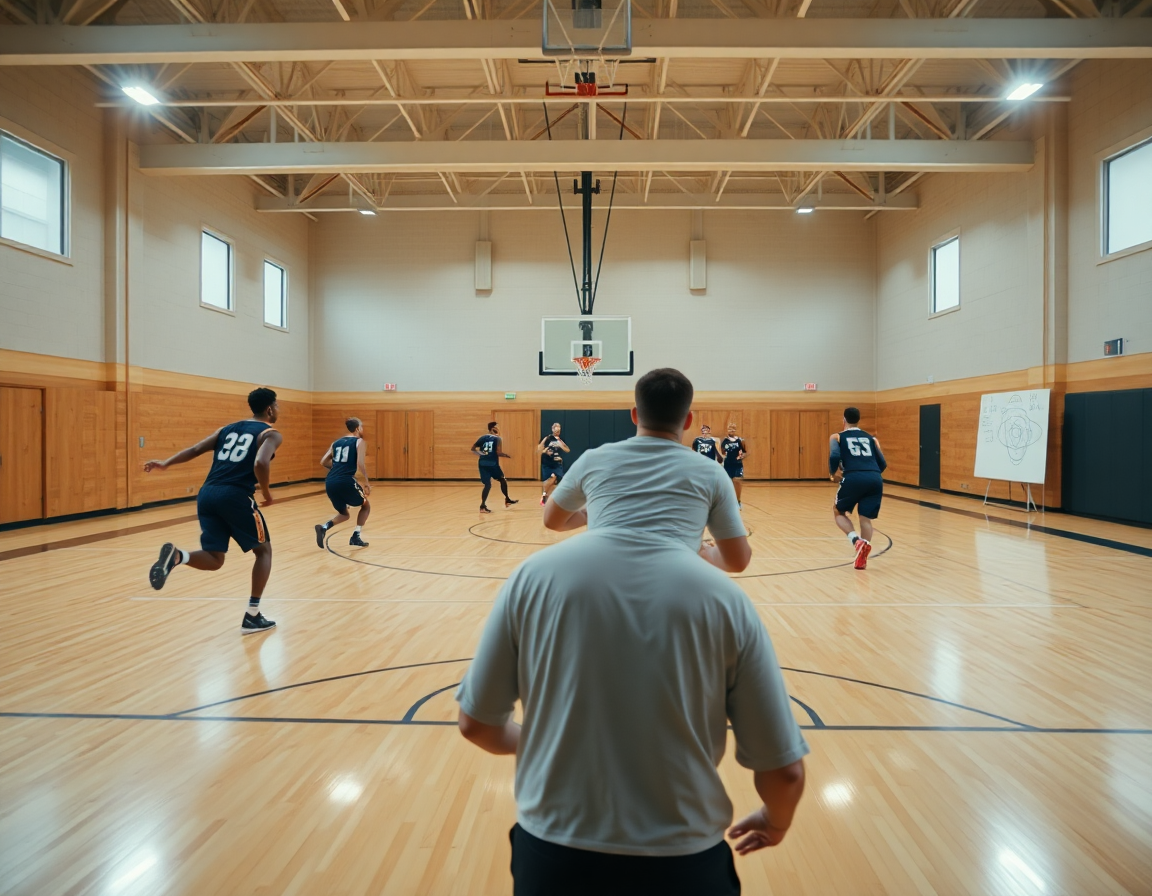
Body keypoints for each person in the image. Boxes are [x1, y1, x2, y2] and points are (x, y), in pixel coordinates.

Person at [458, 369, 807, 896]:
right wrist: (776, 823)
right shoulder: (725, 597)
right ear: (689, 421)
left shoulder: (534, 575)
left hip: (553, 853)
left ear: (632, 414)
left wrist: (550, 741)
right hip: (684, 860)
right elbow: (784, 774)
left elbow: (477, 726)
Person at [144, 387, 283, 634]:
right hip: (236, 495)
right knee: (264, 551)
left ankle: (178, 556)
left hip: (207, 495)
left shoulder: (227, 429)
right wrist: (267, 493)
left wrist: (165, 463)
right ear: (270, 408)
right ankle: (252, 615)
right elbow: (260, 462)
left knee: (215, 558)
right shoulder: (270, 434)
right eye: (278, 406)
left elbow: (196, 449)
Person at [829, 406, 886, 570]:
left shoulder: (837, 437)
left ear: (844, 419)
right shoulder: (871, 438)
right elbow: (883, 463)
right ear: (858, 420)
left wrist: (832, 474)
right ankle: (862, 557)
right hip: (875, 478)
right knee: (865, 518)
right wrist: (871, 475)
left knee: (838, 511)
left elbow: (834, 455)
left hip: (853, 476)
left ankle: (856, 541)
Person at [315, 417, 372, 548]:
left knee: (344, 514)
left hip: (330, 481)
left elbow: (323, 461)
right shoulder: (359, 442)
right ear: (357, 428)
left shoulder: (336, 442)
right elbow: (360, 464)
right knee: (366, 505)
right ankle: (356, 536)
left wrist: (337, 468)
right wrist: (366, 482)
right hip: (345, 480)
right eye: (362, 427)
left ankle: (324, 527)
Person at [472, 421, 518, 514]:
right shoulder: (497, 439)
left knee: (488, 485)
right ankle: (506, 499)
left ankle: (483, 506)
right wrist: (507, 455)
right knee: (502, 479)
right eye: (498, 427)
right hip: (492, 464)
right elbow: (498, 452)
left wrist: (481, 454)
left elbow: (473, 448)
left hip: (482, 463)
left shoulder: (483, 437)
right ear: (494, 428)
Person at [537, 422, 570, 506]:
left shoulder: (560, 440)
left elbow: (567, 450)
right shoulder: (547, 438)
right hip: (547, 462)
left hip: (556, 463)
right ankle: (545, 495)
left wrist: (560, 444)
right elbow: (539, 449)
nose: (557, 431)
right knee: (550, 479)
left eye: (559, 429)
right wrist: (545, 451)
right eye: (556, 429)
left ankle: (549, 496)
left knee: (556, 479)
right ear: (552, 429)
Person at [720, 422, 747, 508]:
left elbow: (746, 451)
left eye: (733, 428)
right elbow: (722, 452)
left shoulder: (740, 440)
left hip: (737, 464)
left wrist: (743, 455)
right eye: (729, 428)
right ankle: (728, 502)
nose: (731, 430)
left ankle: (738, 501)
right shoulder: (724, 441)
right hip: (728, 464)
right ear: (727, 430)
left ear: (736, 430)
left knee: (737, 481)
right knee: (727, 483)